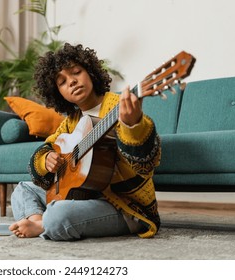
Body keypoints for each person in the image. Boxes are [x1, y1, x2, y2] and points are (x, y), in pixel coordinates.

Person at [9, 43, 161, 241]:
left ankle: (43, 223)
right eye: (62, 82)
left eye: (76, 72)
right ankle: (39, 222)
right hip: (82, 196)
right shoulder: (70, 121)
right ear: (57, 93)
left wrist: (133, 125)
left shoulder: (117, 107)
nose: (71, 82)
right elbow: (46, 148)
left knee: (59, 214)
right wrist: (46, 158)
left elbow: (147, 163)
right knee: (22, 188)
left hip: (124, 207)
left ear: (90, 72)